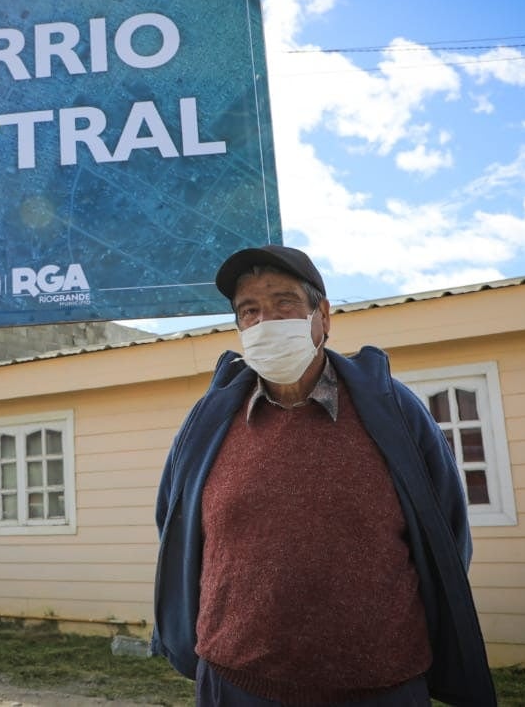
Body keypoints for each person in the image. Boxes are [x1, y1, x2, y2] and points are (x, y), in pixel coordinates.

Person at [153, 245, 496, 706]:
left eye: (284, 303)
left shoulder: (394, 413)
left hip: (380, 687)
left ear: (324, 317)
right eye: (249, 310)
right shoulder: (208, 421)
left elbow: (446, 534)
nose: (266, 322)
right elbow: (174, 525)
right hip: (235, 685)